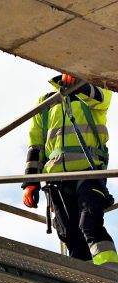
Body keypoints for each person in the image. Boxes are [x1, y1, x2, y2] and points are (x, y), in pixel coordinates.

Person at [22, 74, 118, 271]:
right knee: (70, 235)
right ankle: (85, 281)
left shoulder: (96, 90)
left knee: (89, 224)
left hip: (89, 172)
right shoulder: (47, 101)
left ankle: (111, 274)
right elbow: (36, 144)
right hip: (56, 178)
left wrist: (78, 83)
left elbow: (101, 97)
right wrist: (31, 182)